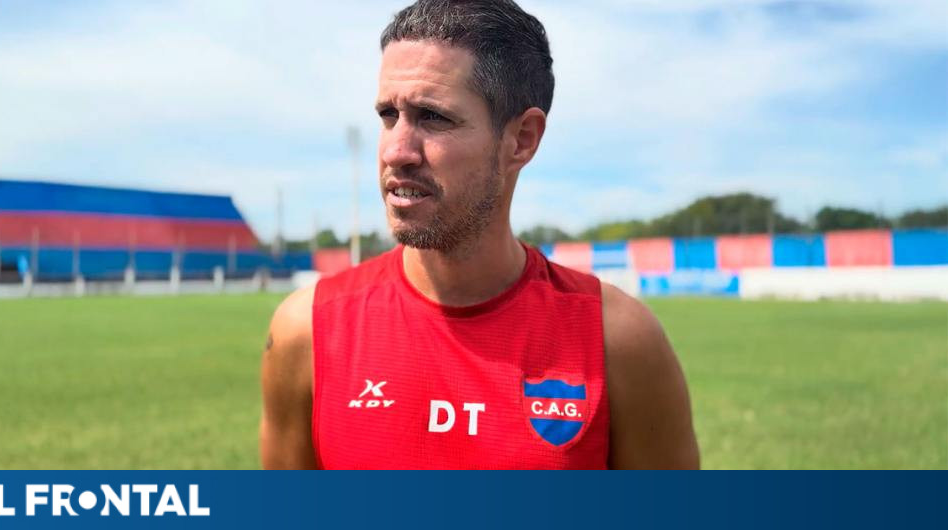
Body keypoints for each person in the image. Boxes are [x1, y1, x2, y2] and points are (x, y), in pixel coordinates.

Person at [260, 0, 699, 469]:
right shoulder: (306, 331)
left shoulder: (617, 341)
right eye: (389, 115)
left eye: (433, 117)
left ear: (522, 139)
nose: (396, 150)